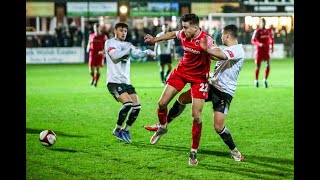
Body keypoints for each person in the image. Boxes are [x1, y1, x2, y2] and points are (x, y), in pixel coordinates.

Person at [144, 24, 245, 162]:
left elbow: (221, 56)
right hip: (211, 85)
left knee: (218, 127)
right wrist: (206, 51)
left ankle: (234, 151)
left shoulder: (238, 51)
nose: (221, 37)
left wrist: (207, 48)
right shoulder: (228, 49)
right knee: (182, 98)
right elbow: (216, 57)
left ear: (227, 35)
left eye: (222, 35)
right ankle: (163, 125)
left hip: (224, 92)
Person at [144, 13, 215, 165]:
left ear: (195, 28)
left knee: (196, 116)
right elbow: (172, 34)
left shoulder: (206, 39)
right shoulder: (183, 33)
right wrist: (155, 39)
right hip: (182, 72)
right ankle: (162, 127)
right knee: (162, 103)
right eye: (183, 27)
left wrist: (209, 51)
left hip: (199, 78)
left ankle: (194, 151)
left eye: (186, 27)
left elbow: (217, 54)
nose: (182, 30)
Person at [104, 22, 155, 143]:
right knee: (128, 104)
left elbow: (138, 53)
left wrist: (147, 51)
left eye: (125, 31)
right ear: (115, 31)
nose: (123, 33)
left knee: (137, 106)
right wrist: (127, 48)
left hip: (126, 81)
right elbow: (115, 56)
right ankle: (117, 129)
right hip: (114, 81)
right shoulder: (110, 43)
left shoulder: (128, 44)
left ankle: (125, 130)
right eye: (121, 30)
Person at [251, 18, 274, 88]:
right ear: (260, 23)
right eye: (262, 23)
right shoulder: (257, 31)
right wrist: (259, 44)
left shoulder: (269, 31)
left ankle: (265, 80)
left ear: (265, 23)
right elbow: (253, 40)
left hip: (266, 51)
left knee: (268, 65)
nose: (263, 24)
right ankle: (256, 80)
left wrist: (272, 46)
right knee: (258, 66)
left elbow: (272, 39)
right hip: (259, 51)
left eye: (264, 22)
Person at [86, 23, 108, 87]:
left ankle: (96, 82)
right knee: (90, 69)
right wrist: (88, 48)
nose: (95, 28)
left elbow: (107, 45)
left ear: (99, 28)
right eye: (95, 27)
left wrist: (103, 51)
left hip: (99, 54)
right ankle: (93, 78)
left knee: (97, 69)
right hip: (92, 53)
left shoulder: (103, 36)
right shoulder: (91, 35)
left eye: (97, 27)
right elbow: (89, 43)